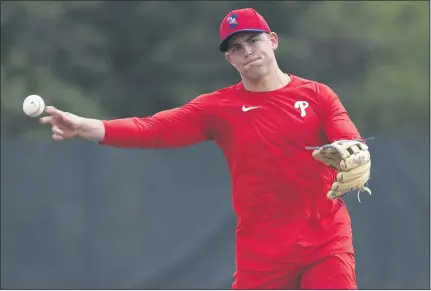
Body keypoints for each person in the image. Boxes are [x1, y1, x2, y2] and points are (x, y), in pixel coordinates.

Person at [40, 8, 370, 290]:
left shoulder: (317, 96)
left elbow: (349, 139)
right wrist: (85, 126)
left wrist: (355, 151)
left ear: (272, 40)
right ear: (230, 59)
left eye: (253, 40)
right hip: (263, 253)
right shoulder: (219, 108)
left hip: (325, 241)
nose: (248, 51)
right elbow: (153, 129)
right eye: (237, 47)